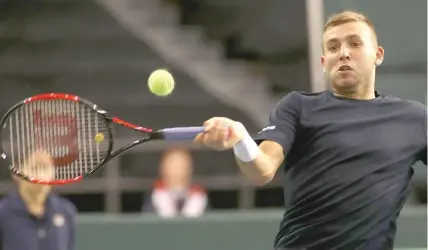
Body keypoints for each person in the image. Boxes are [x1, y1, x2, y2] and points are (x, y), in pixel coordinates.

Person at [195, 10, 427, 250]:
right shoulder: (298, 107)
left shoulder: (414, 118)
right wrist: (241, 139)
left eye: (355, 44)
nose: (344, 53)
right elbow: (261, 170)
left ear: (377, 55)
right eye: (333, 47)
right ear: (324, 62)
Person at [0, 151, 77, 250]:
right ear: (17, 172)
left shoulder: (66, 211)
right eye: (35, 168)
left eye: (46, 168)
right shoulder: (3, 212)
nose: (41, 176)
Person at [142, 147, 208, 218]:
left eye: (182, 164)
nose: (177, 168)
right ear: (163, 168)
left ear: (190, 168)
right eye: (172, 164)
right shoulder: (153, 195)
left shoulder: (200, 195)